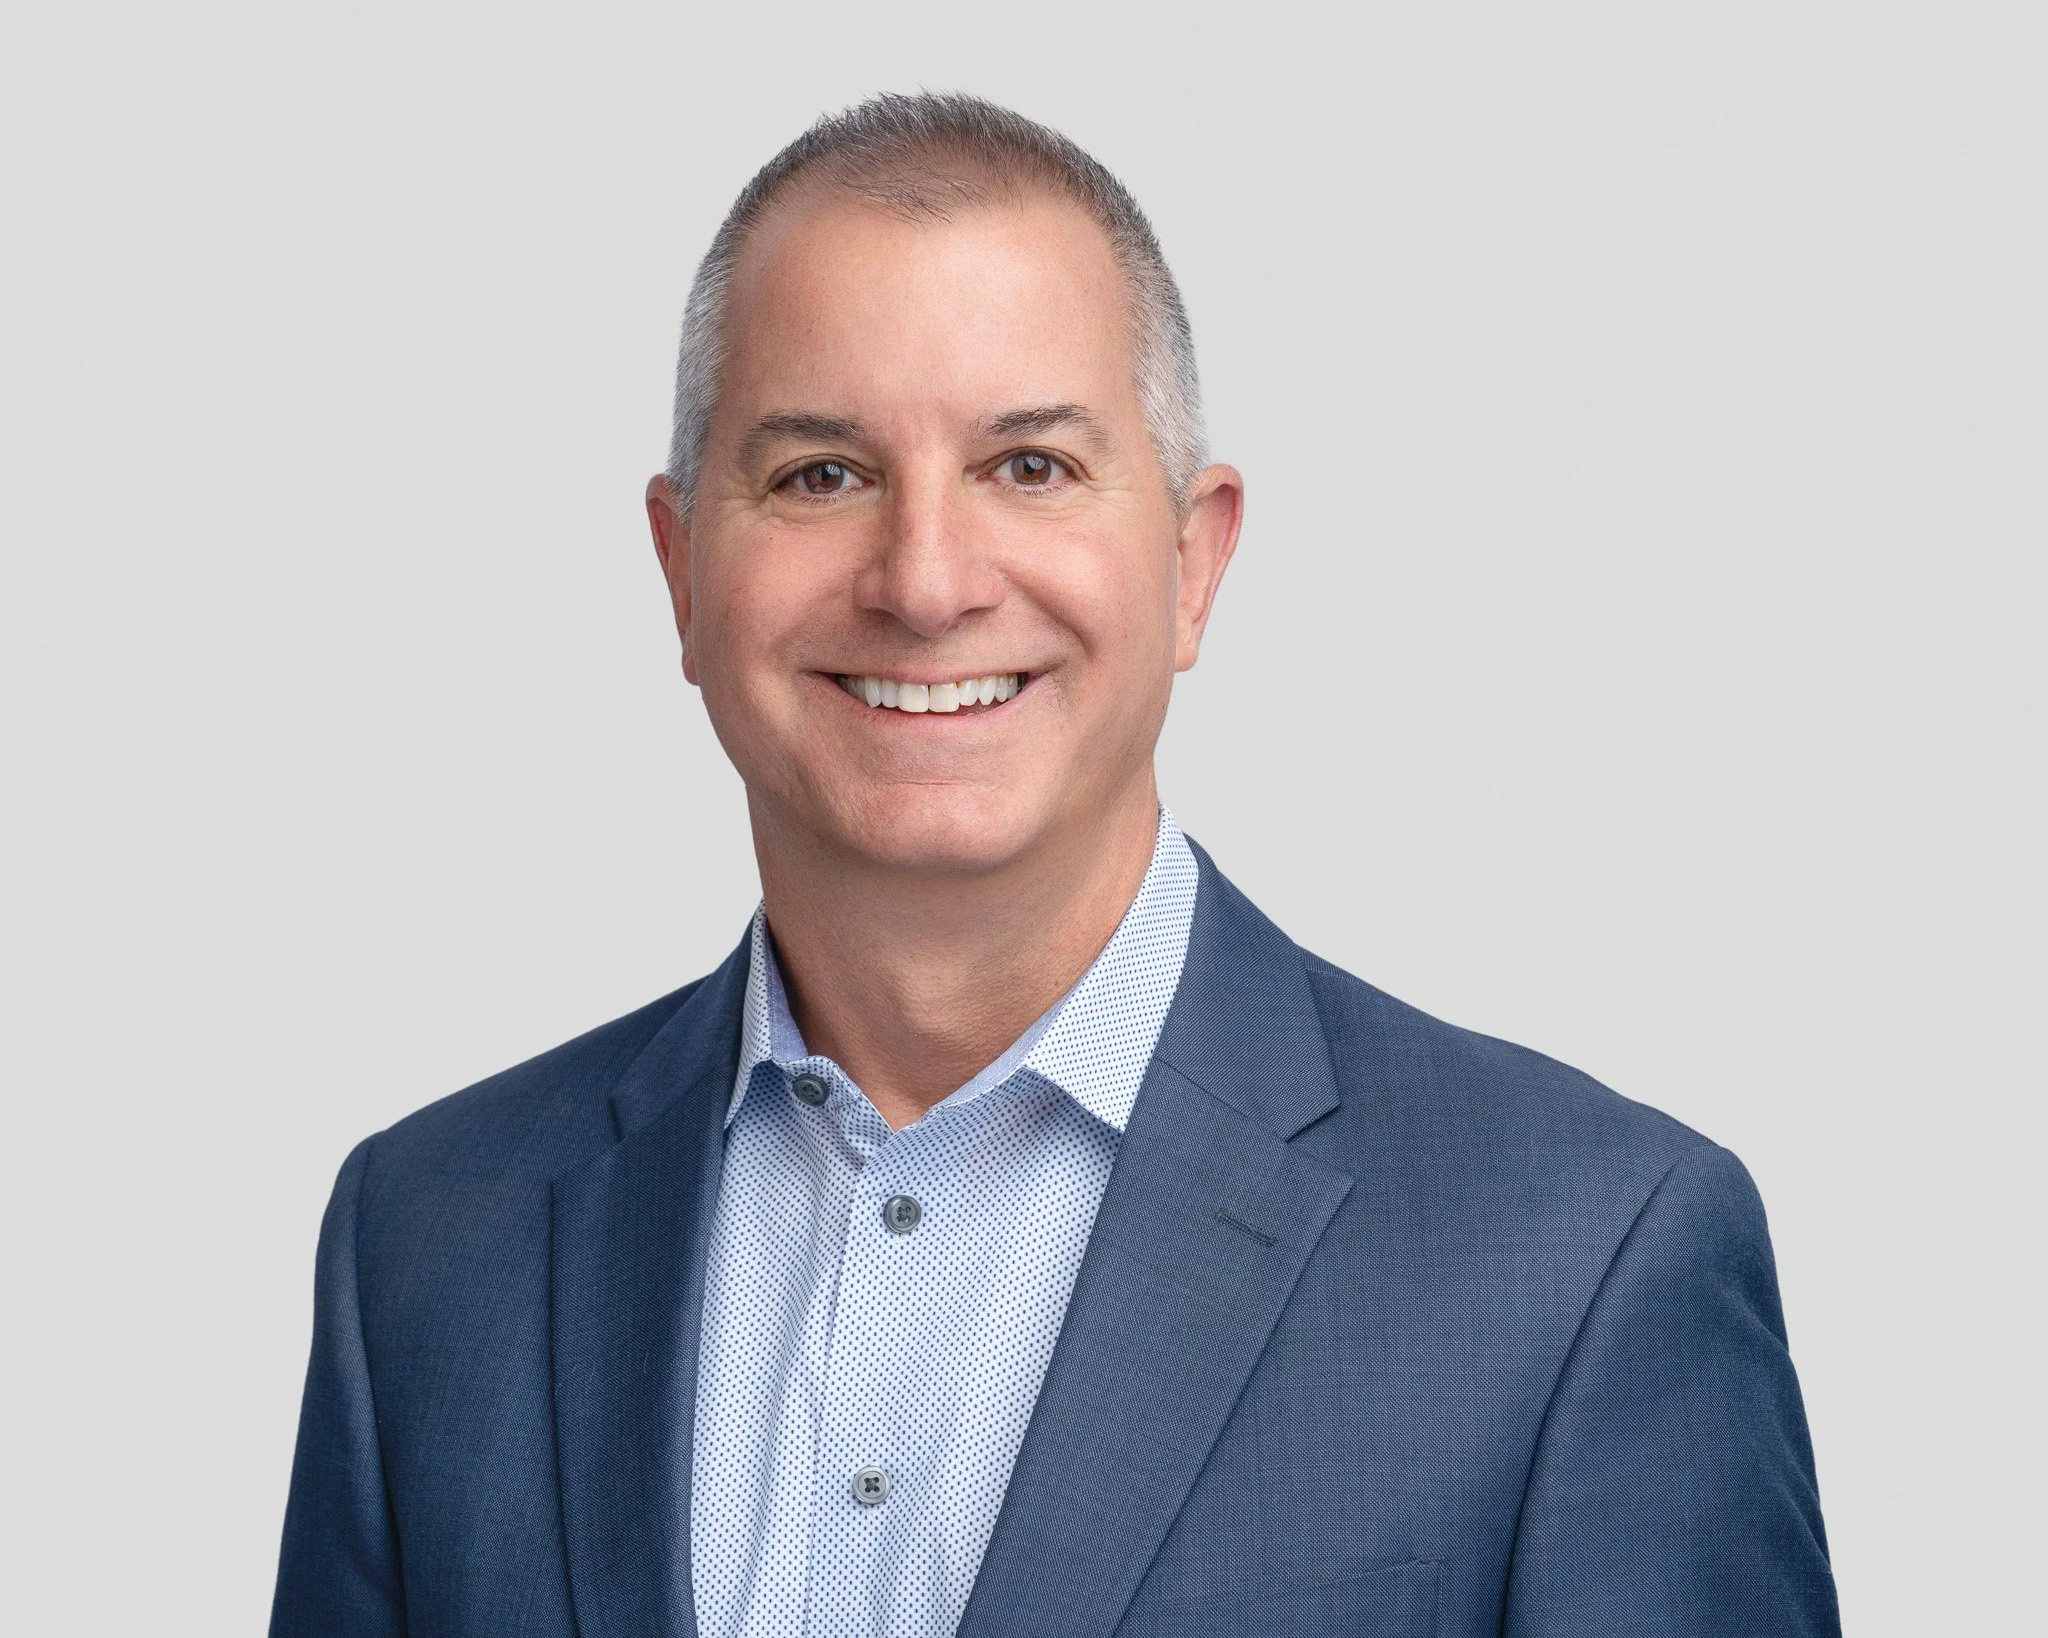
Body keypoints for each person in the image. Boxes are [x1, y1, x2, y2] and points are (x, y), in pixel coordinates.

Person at [270, 93, 1840, 1638]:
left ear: (1193, 557)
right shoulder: (429, 1243)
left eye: (1028, 465)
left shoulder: (1584, 1258)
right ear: (683, 571)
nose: (927, 580)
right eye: (821, 471)